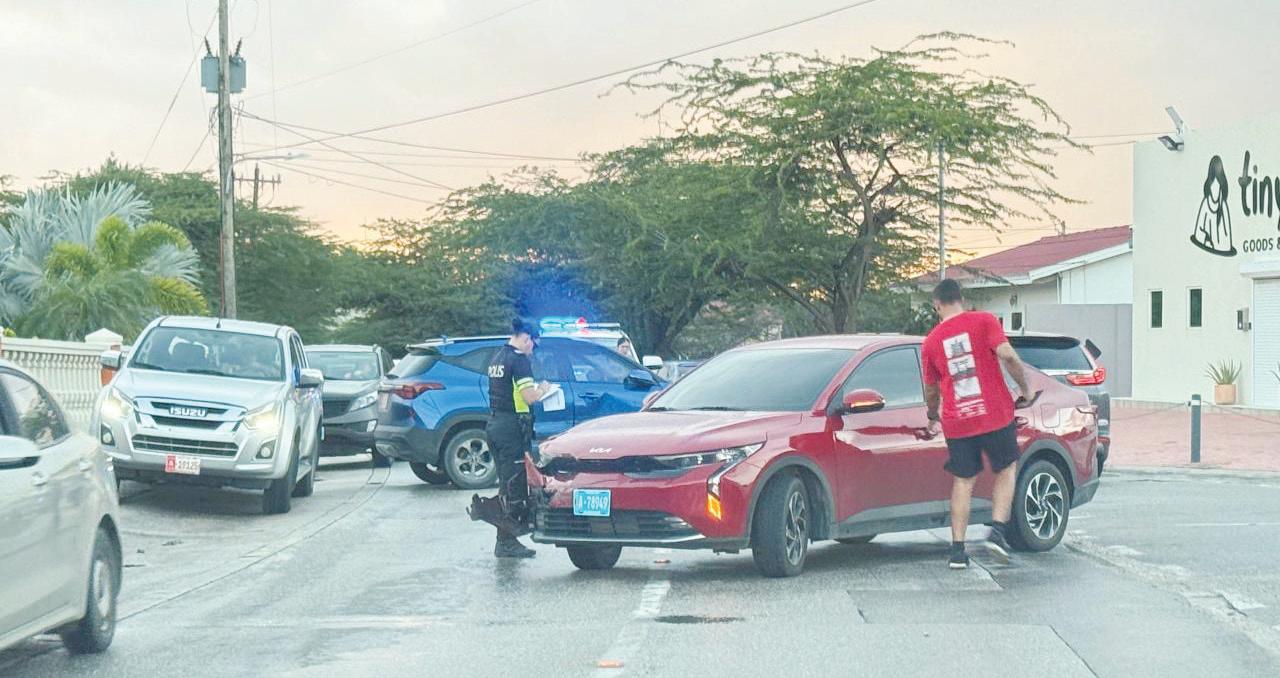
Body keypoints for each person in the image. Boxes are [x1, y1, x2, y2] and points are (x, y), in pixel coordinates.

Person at [922, 279, 1036, 570]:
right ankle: (996, 532)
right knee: (1006, 468)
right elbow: (1008, 355)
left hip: (958, 420)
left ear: (937, 305)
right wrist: (1026, 389)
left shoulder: (931, 341)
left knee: (963, 480)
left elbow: (932, 389)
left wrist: (933, 415)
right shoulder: (984, 321)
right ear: (960, 298)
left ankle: (957, 552)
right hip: (994, 414)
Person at [485, 318, 552, 559]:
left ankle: (505, 539)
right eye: (534, 343)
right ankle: (506, 542)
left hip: (495, 424)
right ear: (526, 338)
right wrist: (544, 389)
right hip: (511, 427)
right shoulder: (519, 360)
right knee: (513, 486)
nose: (533, 349)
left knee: (506, 484)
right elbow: (529, 396)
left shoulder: (498, 357)